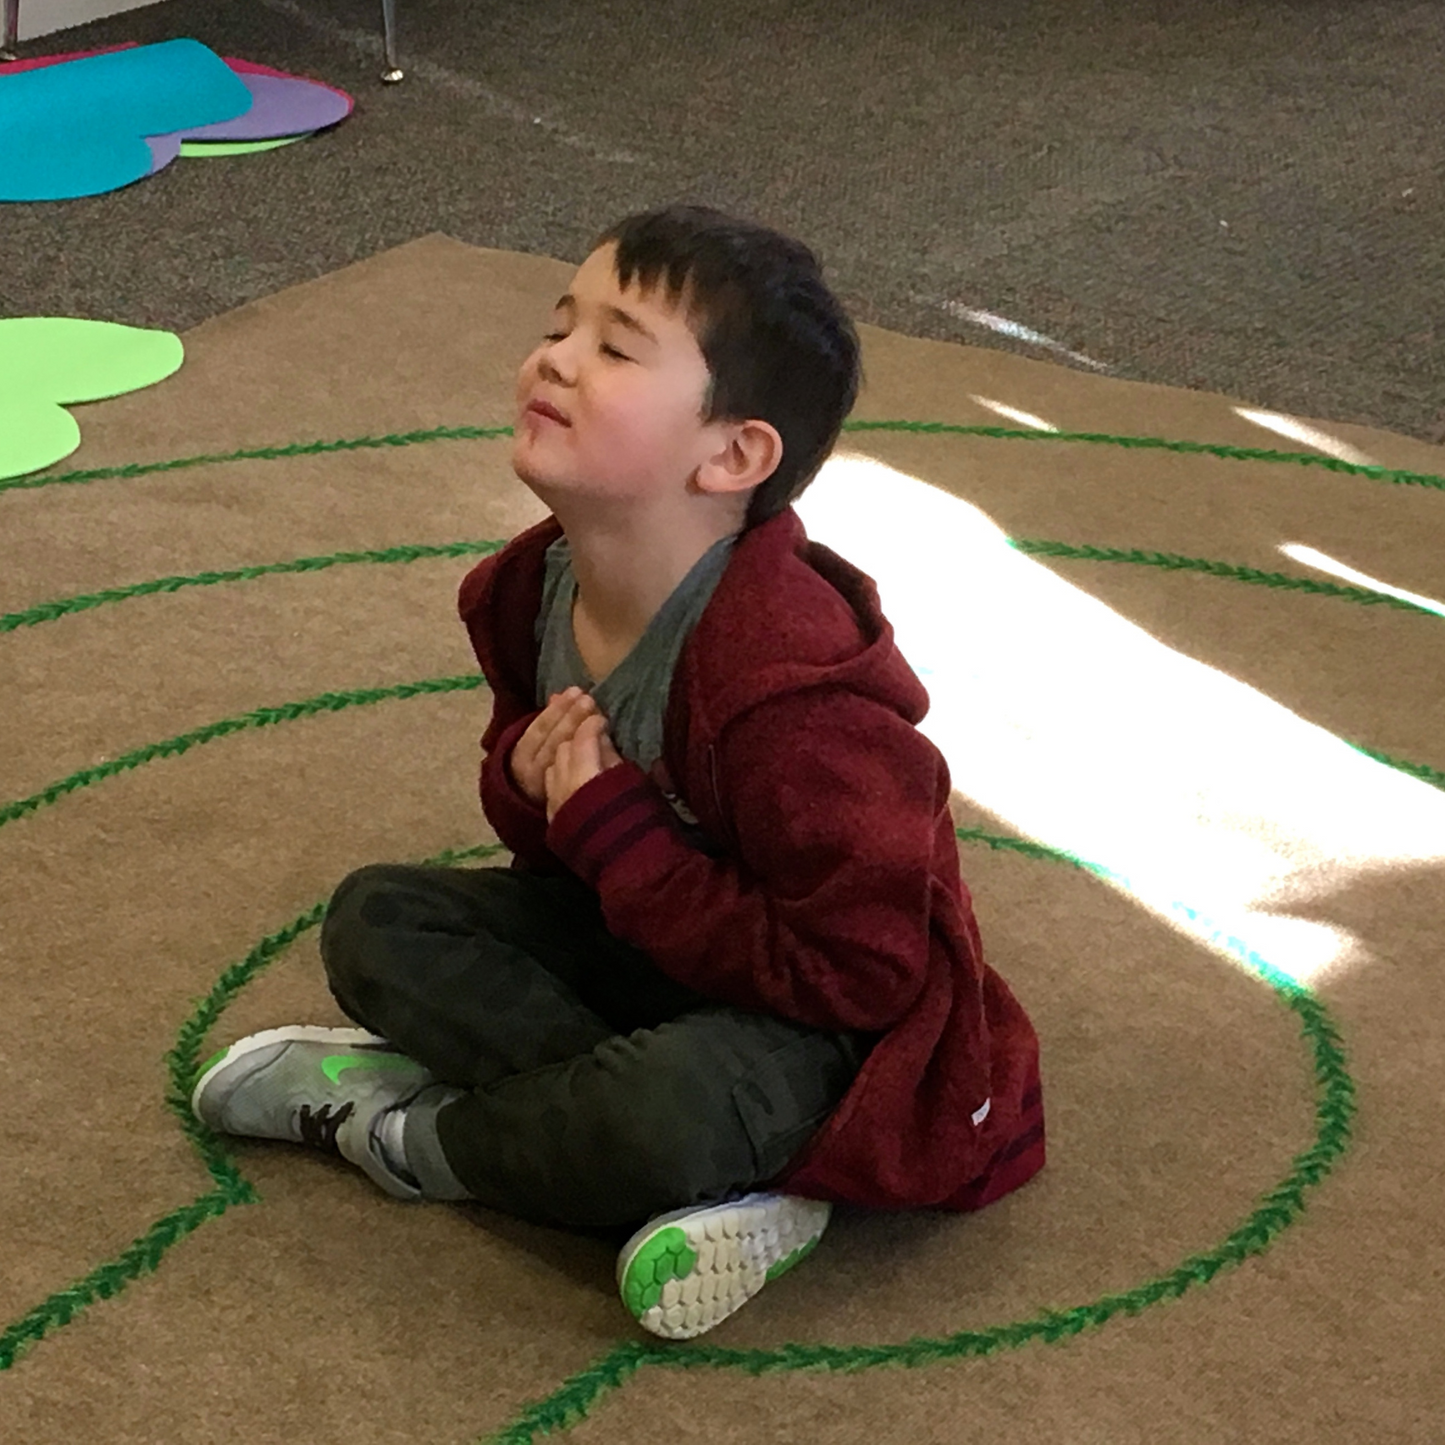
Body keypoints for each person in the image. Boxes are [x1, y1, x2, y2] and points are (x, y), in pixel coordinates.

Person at [191, 204, 1045, 1341]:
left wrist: (614, 829)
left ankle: (416, 1137)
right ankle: (667, 1168)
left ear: (731, 454)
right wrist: (535, 786)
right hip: (647, 955)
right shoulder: (525, 588)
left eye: (614, 347)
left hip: (820, 1030)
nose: (554, 357)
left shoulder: (792, 689)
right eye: (560, 326)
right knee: (377, 917)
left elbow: (866, 975)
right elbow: (549, 854)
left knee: (664, 1107)